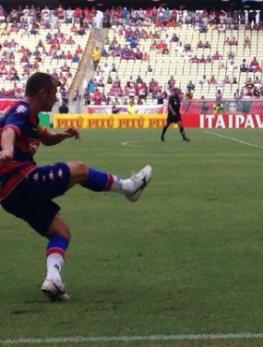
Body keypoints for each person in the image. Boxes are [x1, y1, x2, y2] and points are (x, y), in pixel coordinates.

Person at [0, 72, 152, 301]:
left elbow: (47, 138)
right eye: (54, 92)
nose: (56, 97)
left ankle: (53, 280)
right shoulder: (20, 109)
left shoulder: (34, 118)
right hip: (20, 180)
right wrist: (7, 150)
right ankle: (128, 187)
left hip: (10, 197)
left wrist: (64, 135)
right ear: (43, 93)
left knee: (61, 232)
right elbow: (9, 130)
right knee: (79, 169)